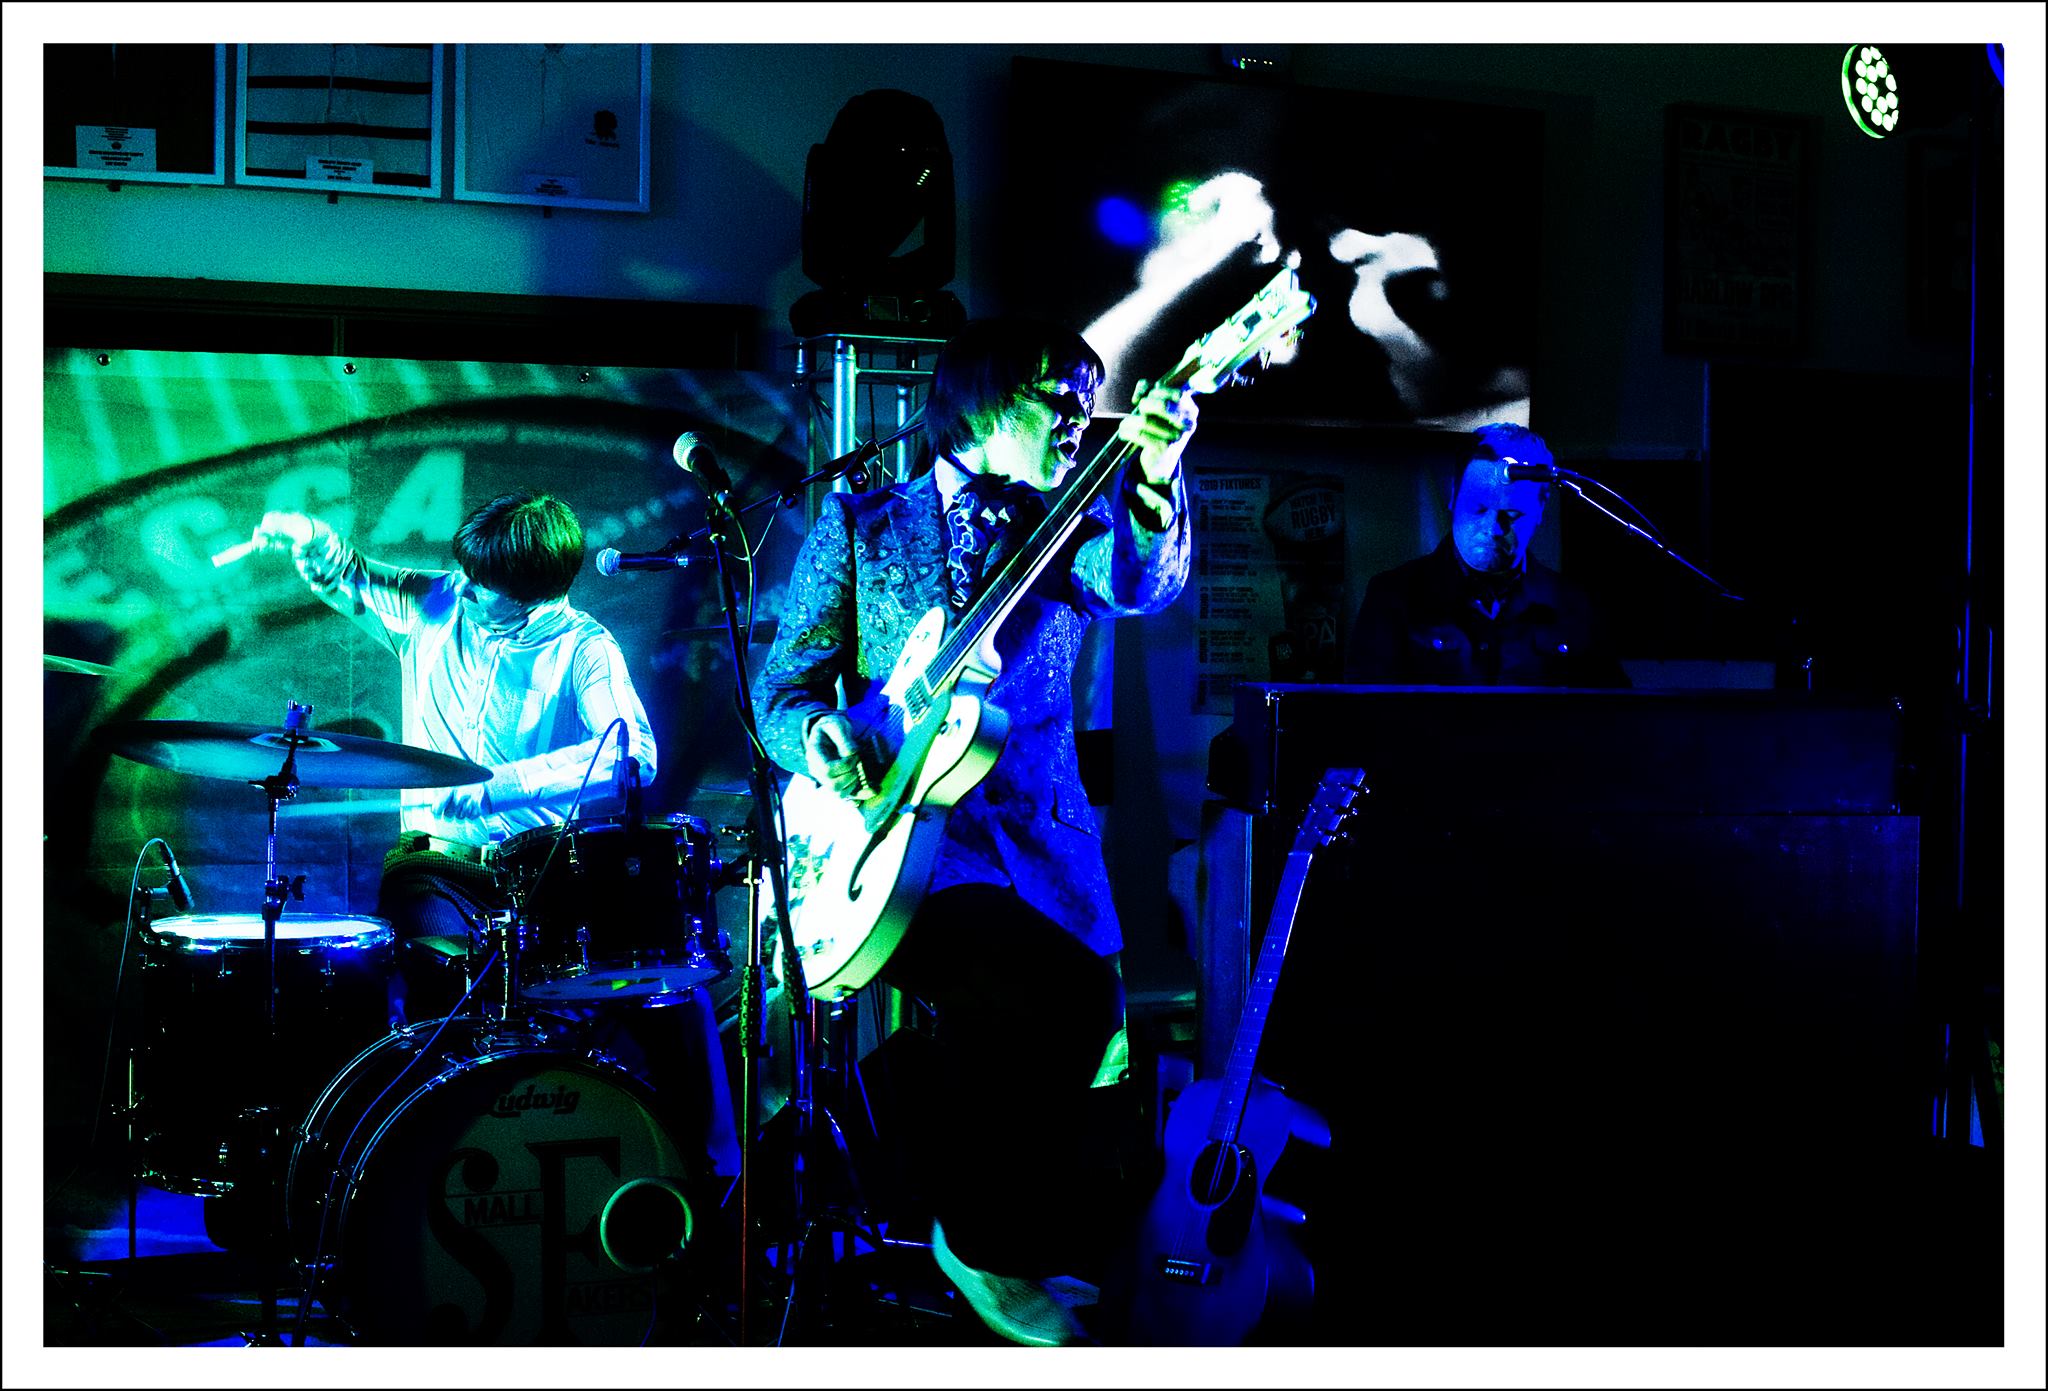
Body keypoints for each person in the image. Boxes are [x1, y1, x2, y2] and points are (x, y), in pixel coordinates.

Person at [751, 318, 1197, 1345]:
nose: (1079, 418)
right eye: (1057, 398)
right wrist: (820, 734)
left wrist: (1156, 473)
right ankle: (983, 1242)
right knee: (1051, 995)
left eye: (1089, 399)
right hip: (891, 843)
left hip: (1038, 845)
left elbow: (1141, 583)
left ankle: (998, 1233)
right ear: (982, 399)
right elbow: (783, 687)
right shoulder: (862, 523)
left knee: (1080, 1037)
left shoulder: (1073, 521)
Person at [1343, 423, 1630, 687]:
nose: (1493, 528)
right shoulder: (1394, 596)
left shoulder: (1574, 604)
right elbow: (1366, 715)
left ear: (1541, 509)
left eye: (1512, 515)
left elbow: (1613, 712)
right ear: (1453, 497)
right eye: (1478, 508)